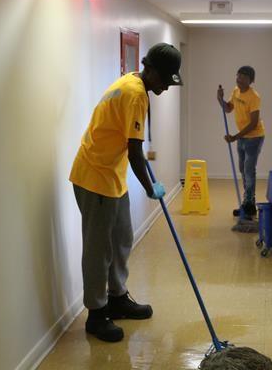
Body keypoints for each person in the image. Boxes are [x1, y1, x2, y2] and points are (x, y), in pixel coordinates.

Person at [69, 42, 182, 342]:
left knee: (122, 237)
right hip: (95, 177)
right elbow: (134, 151)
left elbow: (132, 145)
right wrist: (151, 188)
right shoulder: (134, 94)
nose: (168, 88)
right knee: (99, 249)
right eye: (167, 80)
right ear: (153, 71)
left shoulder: (134, 82)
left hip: (111, 175)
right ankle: (96, 313)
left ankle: (117, 297)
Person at [216, 66, 265, 219]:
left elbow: (254, 123)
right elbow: (228, 109)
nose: (240, 79)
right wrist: (220, 99)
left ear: (251, 80)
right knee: (243, 170)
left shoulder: (254, 97)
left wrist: (234, 137)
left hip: (254, 137)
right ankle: (247, 202)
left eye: (244, 77)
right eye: (238, 76)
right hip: (242, 137)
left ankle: (249, 205)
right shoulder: (236, 91)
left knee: (249, 171)